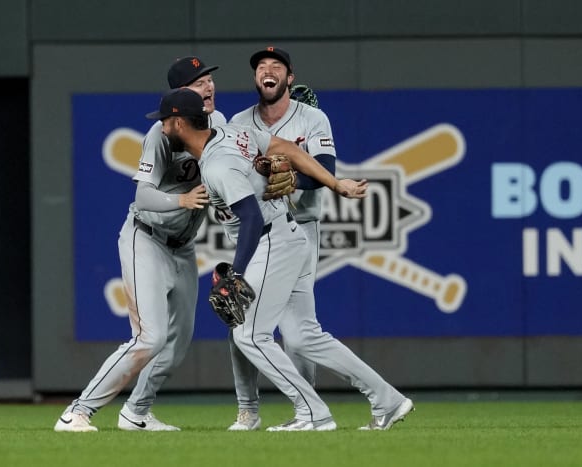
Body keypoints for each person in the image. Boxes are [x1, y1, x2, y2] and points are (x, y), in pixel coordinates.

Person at [147, 87, 370, 431]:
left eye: (164, 122)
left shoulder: (222, 153)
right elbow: (279, 151)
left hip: (279, 236)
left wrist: (236, 273)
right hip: (268, 238)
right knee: (252, 329)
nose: (161, 129)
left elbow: (254, 209)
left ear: (178, 121)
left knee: (276, 335)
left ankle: (311, 412)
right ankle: (268, 410)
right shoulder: (231, 128)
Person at [226, 46, 414, 431]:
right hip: (259, 231)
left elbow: (325, 170)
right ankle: (383, 399)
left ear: (289, 77)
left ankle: (305, 411)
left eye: (276, 66)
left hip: (298, 229)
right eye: (261, 66)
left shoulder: (312, 118)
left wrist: (293, 176)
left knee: (256, 325)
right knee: (297, 334)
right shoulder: (239, 122)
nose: (267, 70)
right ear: (255, 78)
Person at [54, 56, 225, 432]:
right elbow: (143, 198)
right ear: (180, 96)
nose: (209, 86)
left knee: (177, 343)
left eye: (209, 79)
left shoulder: (221, 125)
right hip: (146, 238)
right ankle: (78, 411)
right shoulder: (160, 136)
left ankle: (136, 412)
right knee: (151, 337)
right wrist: (182, 200)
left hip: (183, 246)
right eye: (199, 83)